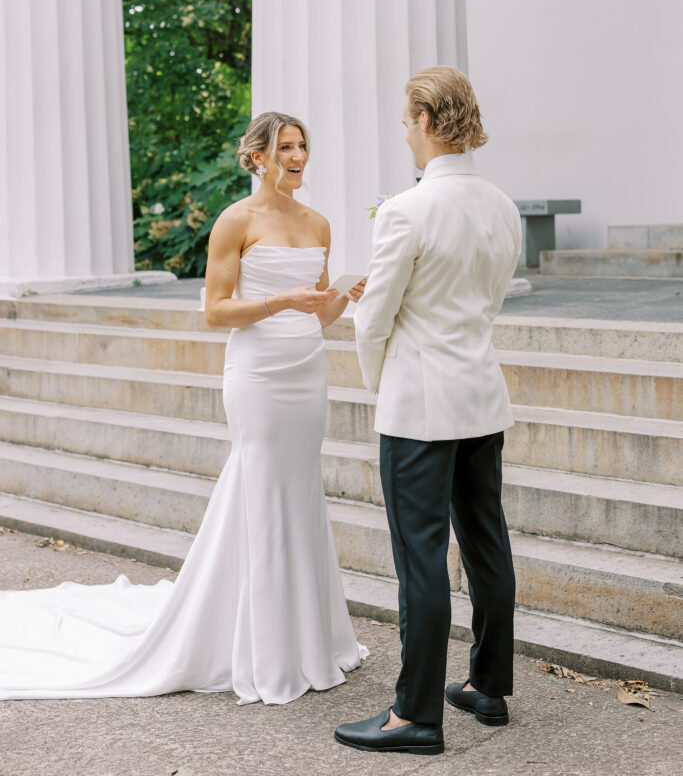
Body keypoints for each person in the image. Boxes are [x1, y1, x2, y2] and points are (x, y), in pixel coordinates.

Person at [0, 111, 367, 703]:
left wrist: (343, 296)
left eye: (302, 145)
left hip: (307, 371)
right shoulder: (235, 220)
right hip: (258, 374)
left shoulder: (318, 223)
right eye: (284, 147)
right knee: (260, 485)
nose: (298, 156)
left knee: (300, 489)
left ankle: (309, 636)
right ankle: (262, 647)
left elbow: (319, 313)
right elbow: (216, 312)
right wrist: (279, 302)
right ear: (257, 158)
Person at [334, 67, 522, 755]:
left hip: (419, 404)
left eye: (404, 120)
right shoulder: (502, 205)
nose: (403, 132)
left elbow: (374, 319)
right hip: (481, 393)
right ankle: (488, 687)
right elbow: (488, 302)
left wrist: (377, 381)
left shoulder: (406, 211)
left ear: (422, 119)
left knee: (421, 559)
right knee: (486, 544)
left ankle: (414, 716)